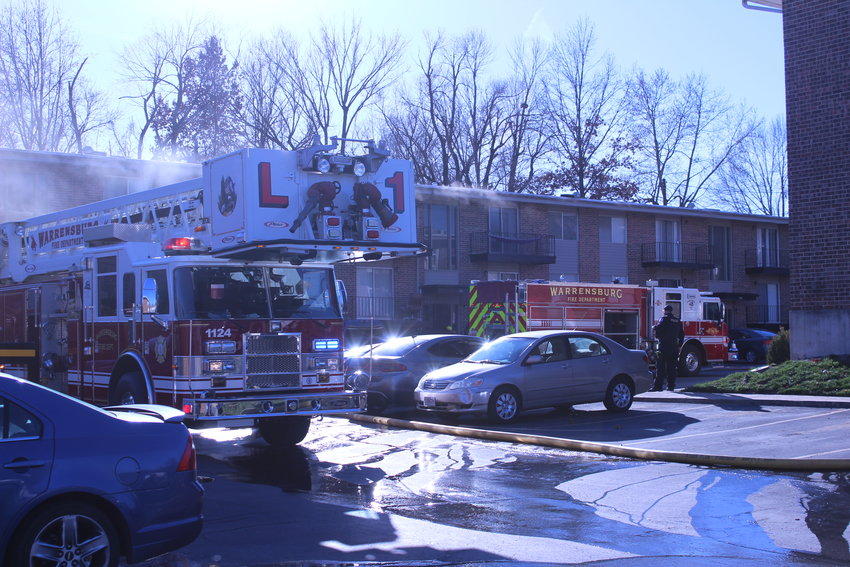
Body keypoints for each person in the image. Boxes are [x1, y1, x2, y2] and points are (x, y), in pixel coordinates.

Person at [652, 305, 684, 391]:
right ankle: (671, 386)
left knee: (660, 367)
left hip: (664, 346)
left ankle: (658, 386)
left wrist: (654, 327)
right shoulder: (677, 320)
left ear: (665, 311)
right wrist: (680, 345)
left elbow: (659, 328)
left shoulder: (664, 319)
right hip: (674, 347)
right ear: (671, 311)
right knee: (672, 368)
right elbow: (681, 334)